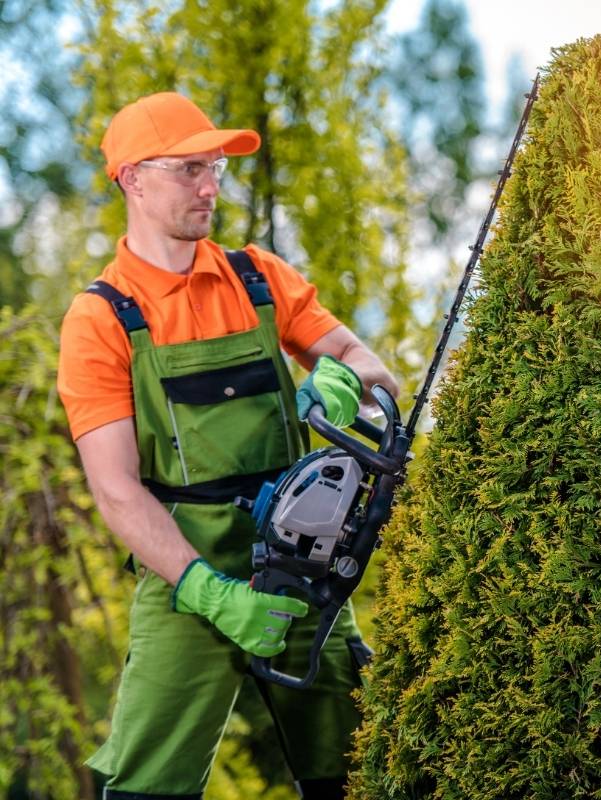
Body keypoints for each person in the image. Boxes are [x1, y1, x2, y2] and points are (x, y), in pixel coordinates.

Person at [56, 91, 400, 800]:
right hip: (187, 579)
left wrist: (340, 381)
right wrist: (209, 594)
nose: (211, 185)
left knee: (359, 772)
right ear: (132, 178)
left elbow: (376, 375)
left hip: (304, 567)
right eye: (188, 169)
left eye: (213, 167)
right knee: (146, 787)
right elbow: (116, 488)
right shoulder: (101, 319)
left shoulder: (259, 279)